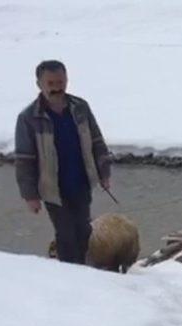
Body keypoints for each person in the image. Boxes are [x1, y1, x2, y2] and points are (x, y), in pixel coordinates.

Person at [15, 60, 111, 264]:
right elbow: (24, 160)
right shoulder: (28, 118)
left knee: (84, 229)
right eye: (51, 83)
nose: (57, 88)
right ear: (39, 84)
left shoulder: (80, 107)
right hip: (53, 189)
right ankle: (71, 274)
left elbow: (97, 142)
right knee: (66, 234)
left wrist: (104, 173)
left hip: (82, 182)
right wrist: (30, 196)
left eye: (61, 82)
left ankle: (87, 268)